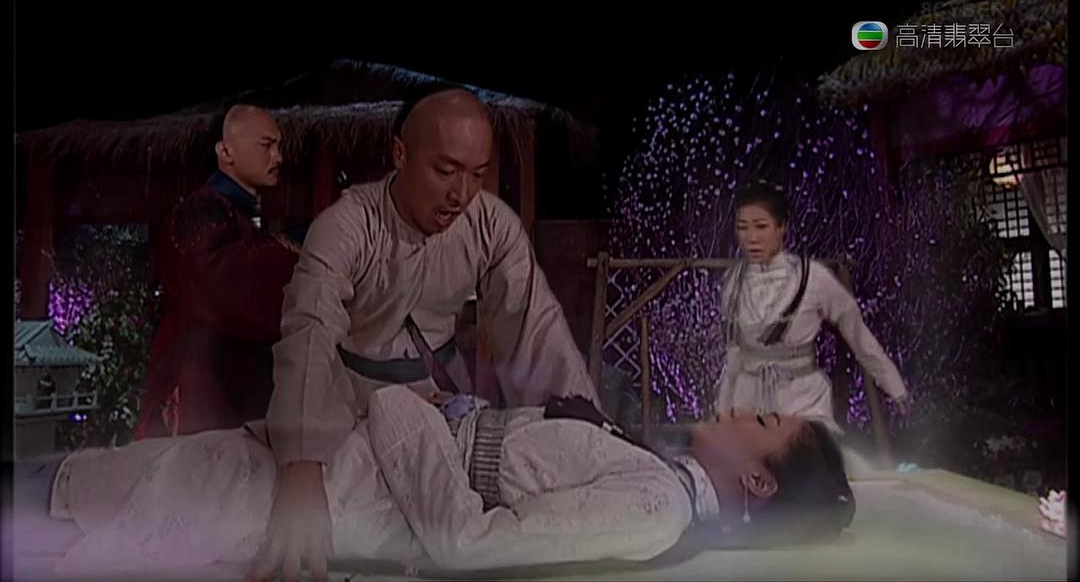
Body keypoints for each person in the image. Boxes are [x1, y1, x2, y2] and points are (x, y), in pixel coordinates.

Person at [254, 85, 601, 580]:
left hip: (440, 399)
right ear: (401, 154)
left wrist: (583, 434)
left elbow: (534, 327)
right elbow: (309, 332)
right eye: (445, 170)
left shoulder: (490, 226)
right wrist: (302, 464)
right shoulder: (347, 226)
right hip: (347, 402)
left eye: (476, 174)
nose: (461, 194)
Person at [14, 386, 854, 577]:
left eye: (764, 420)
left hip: (336, 492)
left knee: (71, 499)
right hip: (331, 463)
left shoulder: (655, 506)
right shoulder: (657, 482)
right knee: (84, 484)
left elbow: (466, 539)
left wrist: (402, 405)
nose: (742, 406)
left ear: (759, 480)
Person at [133, 105, 304, 440]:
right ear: (225, 152)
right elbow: (229, 287)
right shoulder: (197, 213)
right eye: (266, 145)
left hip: (229, 395)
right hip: (199, 392)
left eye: (278, 146)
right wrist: (301, 247)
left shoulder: (234, 217)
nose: (278, 156)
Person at [714, 181, 910, 429]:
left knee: (811, 449)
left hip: (803, 399)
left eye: (761, 226)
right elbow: (734, 354)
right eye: (742, 228)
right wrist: (722, 410)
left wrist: (894, 385)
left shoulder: (811, 277)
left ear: (781, 227)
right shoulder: (734, 281)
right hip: (748, 401)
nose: (751, 238)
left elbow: (856, 333)